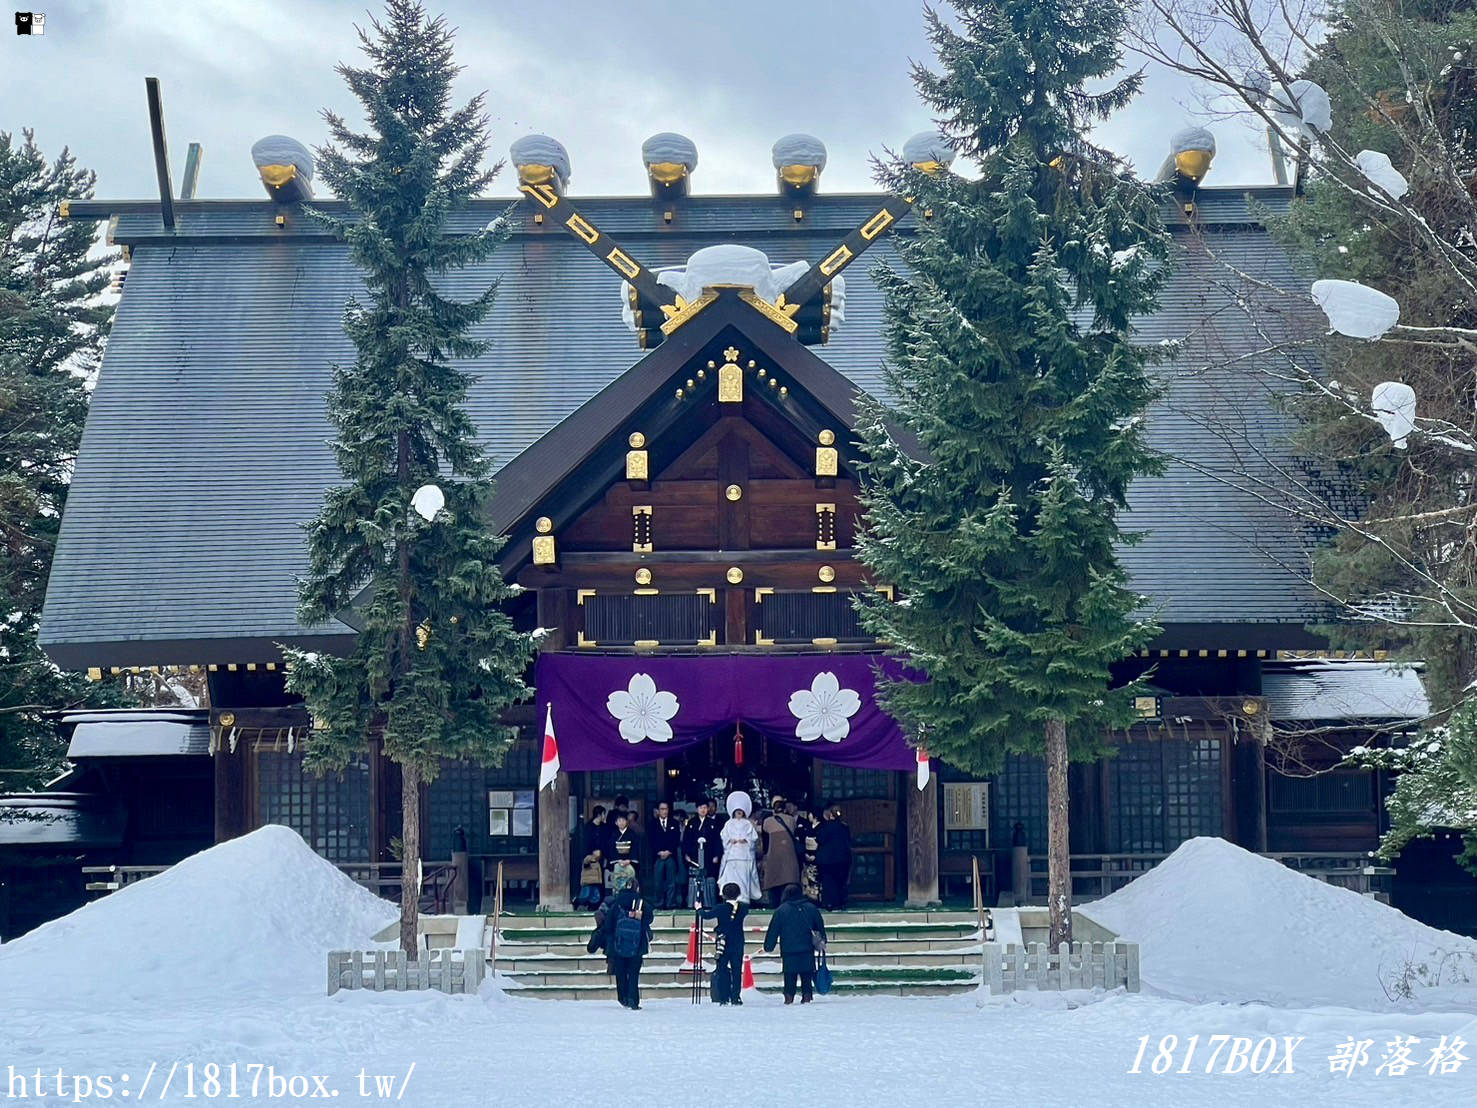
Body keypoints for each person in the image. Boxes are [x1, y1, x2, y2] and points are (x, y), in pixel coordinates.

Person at [763, 883, 827, 1004]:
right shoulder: (811, 908)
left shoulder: (781, 911)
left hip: (789, 949)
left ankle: (789, 997)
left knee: (789, 975)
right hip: (807, 948)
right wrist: (822, 940)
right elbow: (820, 927)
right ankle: (807, 996)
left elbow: (773, 930)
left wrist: (768, 946)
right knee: (807, 974)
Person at [603, 877, 654, 1009]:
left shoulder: (616, 903)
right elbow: (649, 920)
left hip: (618, 943)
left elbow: (608, 925)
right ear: (637, 888)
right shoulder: (641, 903)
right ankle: (633, 999)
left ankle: (623, 997)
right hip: (636, 944)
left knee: (620, 972)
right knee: (633, 973)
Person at [702, 881, 749, 1005]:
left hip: (723, 941)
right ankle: (735, 996)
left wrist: (698, 908)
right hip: (738, 941)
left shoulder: (720, 908)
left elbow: (706, 916)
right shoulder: (743, 908)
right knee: (737, 970)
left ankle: (723, 996)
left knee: (722, 969)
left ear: (723, 895)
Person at [717, 792, 762, 903]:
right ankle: (731, 898)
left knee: (744, 878)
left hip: (744, 855)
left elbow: (753, 838)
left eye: (741, 812)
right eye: (737, 812)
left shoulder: (748, 824)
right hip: (732, 855)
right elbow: (723, 836)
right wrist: (730, 840)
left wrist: (745, 840)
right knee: (732, 878)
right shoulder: (728, 824)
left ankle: (744, 898)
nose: (739, 814)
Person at [760, 801, 802, 908]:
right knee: (788, 881)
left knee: (774, 882)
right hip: (789, 856)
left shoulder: (768, 822)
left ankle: (774, 904)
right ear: (785, 809)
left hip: (773, 856)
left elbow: (764, 831)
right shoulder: (791, 820)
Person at [816, 805, 852, 911]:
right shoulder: (844, 827)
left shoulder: (825, 827)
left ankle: (830, 903)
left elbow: (820, 839)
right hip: (843, 859)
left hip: (828, 860)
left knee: (828, 882)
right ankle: (840, 902)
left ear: (830, 814)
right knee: (840, 882)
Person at [649, 801, 683, 909]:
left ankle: (670, 903)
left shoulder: (674, 823)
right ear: (658, 811)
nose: (664, 811)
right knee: (658, 881)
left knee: (671, 882)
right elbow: (650, 841)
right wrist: (659, 852)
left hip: (670, 855)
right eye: (662, 809)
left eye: (666, 809)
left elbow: (676, 839)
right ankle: (658, 903)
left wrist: (668, 851)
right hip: (657, 856)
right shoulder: (652, 824)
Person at [608, 810, 640, 893]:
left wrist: (629, 860)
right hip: (618, 862)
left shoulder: (632, 834)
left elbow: (635, 848)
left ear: (627, 822)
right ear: (616, 823)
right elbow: (612, 849)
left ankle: (631, 898)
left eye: (623, 820)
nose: (621, 823)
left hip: (629, 862)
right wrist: (618, 860)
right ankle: (617, 898)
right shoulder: (613, 834)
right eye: (619, 821)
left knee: (630, 881)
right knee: (617, 882)